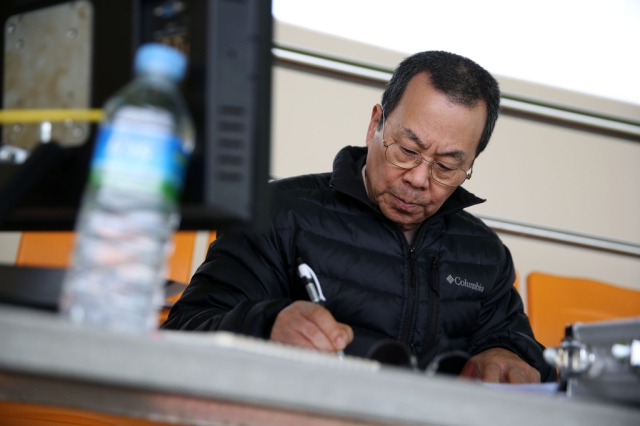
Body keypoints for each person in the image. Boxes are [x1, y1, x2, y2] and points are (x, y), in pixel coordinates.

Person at [163, 50, 557, 383]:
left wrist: (506, 355)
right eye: (407, 150)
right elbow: (182, 332)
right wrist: (266, 326)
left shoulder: (484, 254)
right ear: (374, 125)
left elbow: (518, 349)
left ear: (470, 163)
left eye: (447, 167)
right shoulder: (276, 212)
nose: (419, 179)